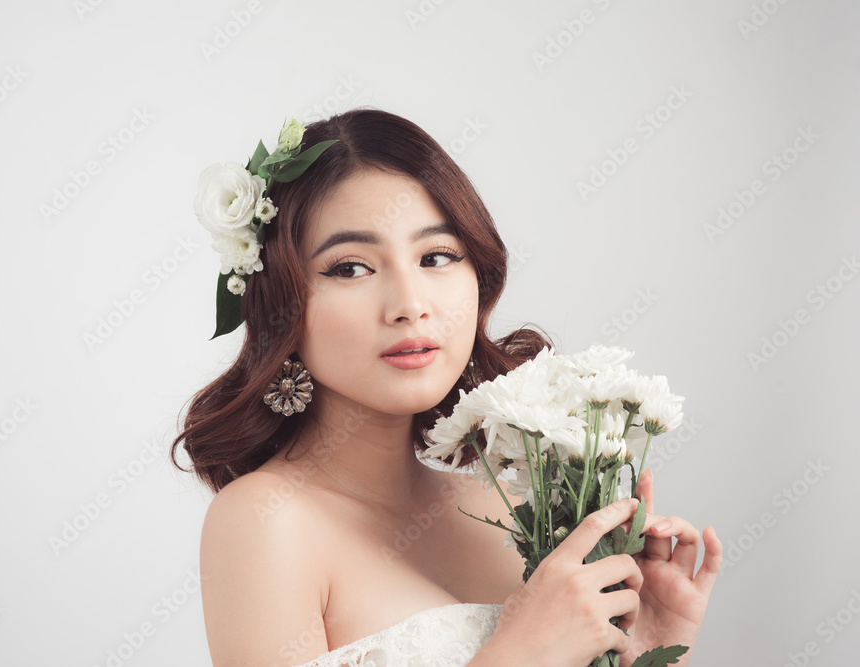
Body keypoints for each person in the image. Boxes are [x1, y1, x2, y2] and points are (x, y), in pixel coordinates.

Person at [172, 108, 722, 666]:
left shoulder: (510, 510)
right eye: (350, 268)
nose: (411, 305)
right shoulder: (266, 520)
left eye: (436, 257)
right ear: (279, 301)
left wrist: (646, 653)